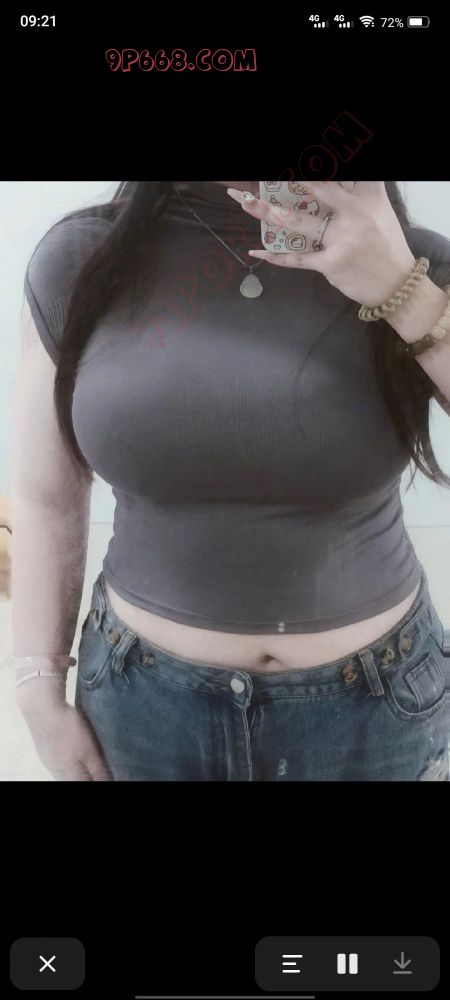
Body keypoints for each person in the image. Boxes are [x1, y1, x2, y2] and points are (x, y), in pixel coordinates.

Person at [10, 180, 450, 781]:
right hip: (144, 707)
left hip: (377, 708)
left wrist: (402, 289)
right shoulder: (84, 257)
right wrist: (37, 684)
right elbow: (46, 497)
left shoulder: (415, 259)